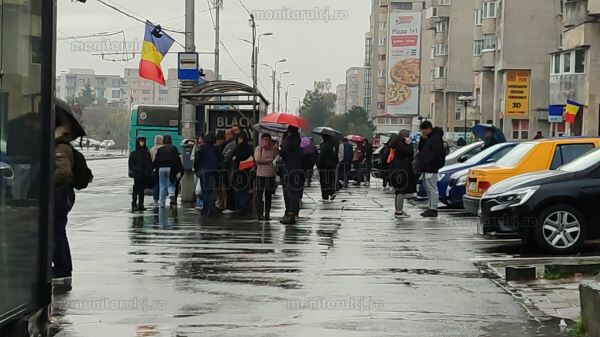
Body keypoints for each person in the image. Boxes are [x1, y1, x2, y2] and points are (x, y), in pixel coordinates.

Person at [53, 118, 76, 288]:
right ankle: (63, 267)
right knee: (59, 231)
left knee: (57, 232)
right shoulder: (64, 146)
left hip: (60, 193)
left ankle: (62, 268)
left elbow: (63, 172)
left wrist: (47, 183)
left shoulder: (60, 147)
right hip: (63, 193)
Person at [415, 121, 446, 218]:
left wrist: (428, 161)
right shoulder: (429, 138)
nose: (422, 133)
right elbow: (422, 149)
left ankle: (433, 208)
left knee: (432, 188)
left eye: (423, 130)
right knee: (428, 187)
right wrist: (423, 140)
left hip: (431, 167)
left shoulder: (436, 138)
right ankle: (430, 207)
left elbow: (435, 152)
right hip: (426, 167)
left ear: (428, 129)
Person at [194, 132, 224, 217]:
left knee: (206, 191)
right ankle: (211, 209)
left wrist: (197, 171)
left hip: (204, 171)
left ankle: (207, 209)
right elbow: (222, 159)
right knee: (211, 191)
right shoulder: (216, 148)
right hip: (214, 171)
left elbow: (197, 160)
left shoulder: (201, 148)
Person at [279, 126, 304, 224]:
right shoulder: (298, 141)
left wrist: (280, 145)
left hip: (289, 169)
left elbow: (282, 153)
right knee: (295, 193)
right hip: (297, 169)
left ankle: (290, 214)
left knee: (291, 193)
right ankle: (294, 213)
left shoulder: (290, 141)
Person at [390, 130, 416, 218]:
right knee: (401, 190)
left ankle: (398, 210)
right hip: (403, 168)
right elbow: (410, 153)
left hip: (396, 168)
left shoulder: (396, 143)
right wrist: (409, 144)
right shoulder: (403, 144)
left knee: (398, 191)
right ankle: (399, 212)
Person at [153, 135, 183, 208]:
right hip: (170, 168)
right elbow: (177, 160)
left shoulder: (160, 149)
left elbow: (156, 161)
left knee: (162, 186)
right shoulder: (173, 148)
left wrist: (154, 169)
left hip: (161, 169)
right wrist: (179, 170)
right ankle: (172, 196)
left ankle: (162, 203)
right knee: (170, 184)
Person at [255, 133, 278, 220]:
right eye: (264, 139)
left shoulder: (274, 149)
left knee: (269, 195)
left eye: (268, 139)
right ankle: (259, 213)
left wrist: (267, 161)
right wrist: (269, 161)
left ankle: (267, 213)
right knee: (259, 194)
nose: (266, 141)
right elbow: (258, 159)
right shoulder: (259, 148)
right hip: (260, 174)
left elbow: (276, 160)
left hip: (271, 175)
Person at [128, 137, 153, 211]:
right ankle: (134, 204)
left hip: (144, 175)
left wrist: (149, 171)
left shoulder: (147, 153)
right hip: (137, 175)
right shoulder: (134, 153)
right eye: (141, 142)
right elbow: (131, 164)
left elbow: (150, 163)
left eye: (143, 142)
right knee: (136, 190)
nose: (142, 143)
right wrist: (136, 170)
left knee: (142, 190)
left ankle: (141, 204)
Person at [232, 133, 254, 214]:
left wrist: (237, 159)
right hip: (243, 173)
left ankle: (242, 207)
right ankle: (242, 206)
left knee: (241, 191)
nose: (239, 140)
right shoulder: (240, 148)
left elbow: (237, 159)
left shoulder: (240, 149)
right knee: (242, 191)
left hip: (242, 173)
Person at [317, 134, 339, 201]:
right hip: (332, 166)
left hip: (324, 166)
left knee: (324, 181)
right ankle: (329, 192)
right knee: (330, 180)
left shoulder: (324, 145)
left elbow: (321, 156)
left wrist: (319, 164)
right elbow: (336, 156)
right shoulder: (333, 145)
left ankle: (327, 194)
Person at [222, 129, 238, 211]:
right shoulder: (228, 144)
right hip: (228, 170)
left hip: (230, 170)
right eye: (226, 134)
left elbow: (226, 157)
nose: (226, 136)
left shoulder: (232, 145)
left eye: (228, 134)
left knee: (230, 189)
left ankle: (230, 207)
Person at [150, 135, 164, 204]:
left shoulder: (152, 149)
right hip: (162, 168)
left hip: (155, 169)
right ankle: (162, 198)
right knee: (162, 184)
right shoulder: (163, 148)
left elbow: (151, 160)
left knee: (156, 184)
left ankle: (155, 199)